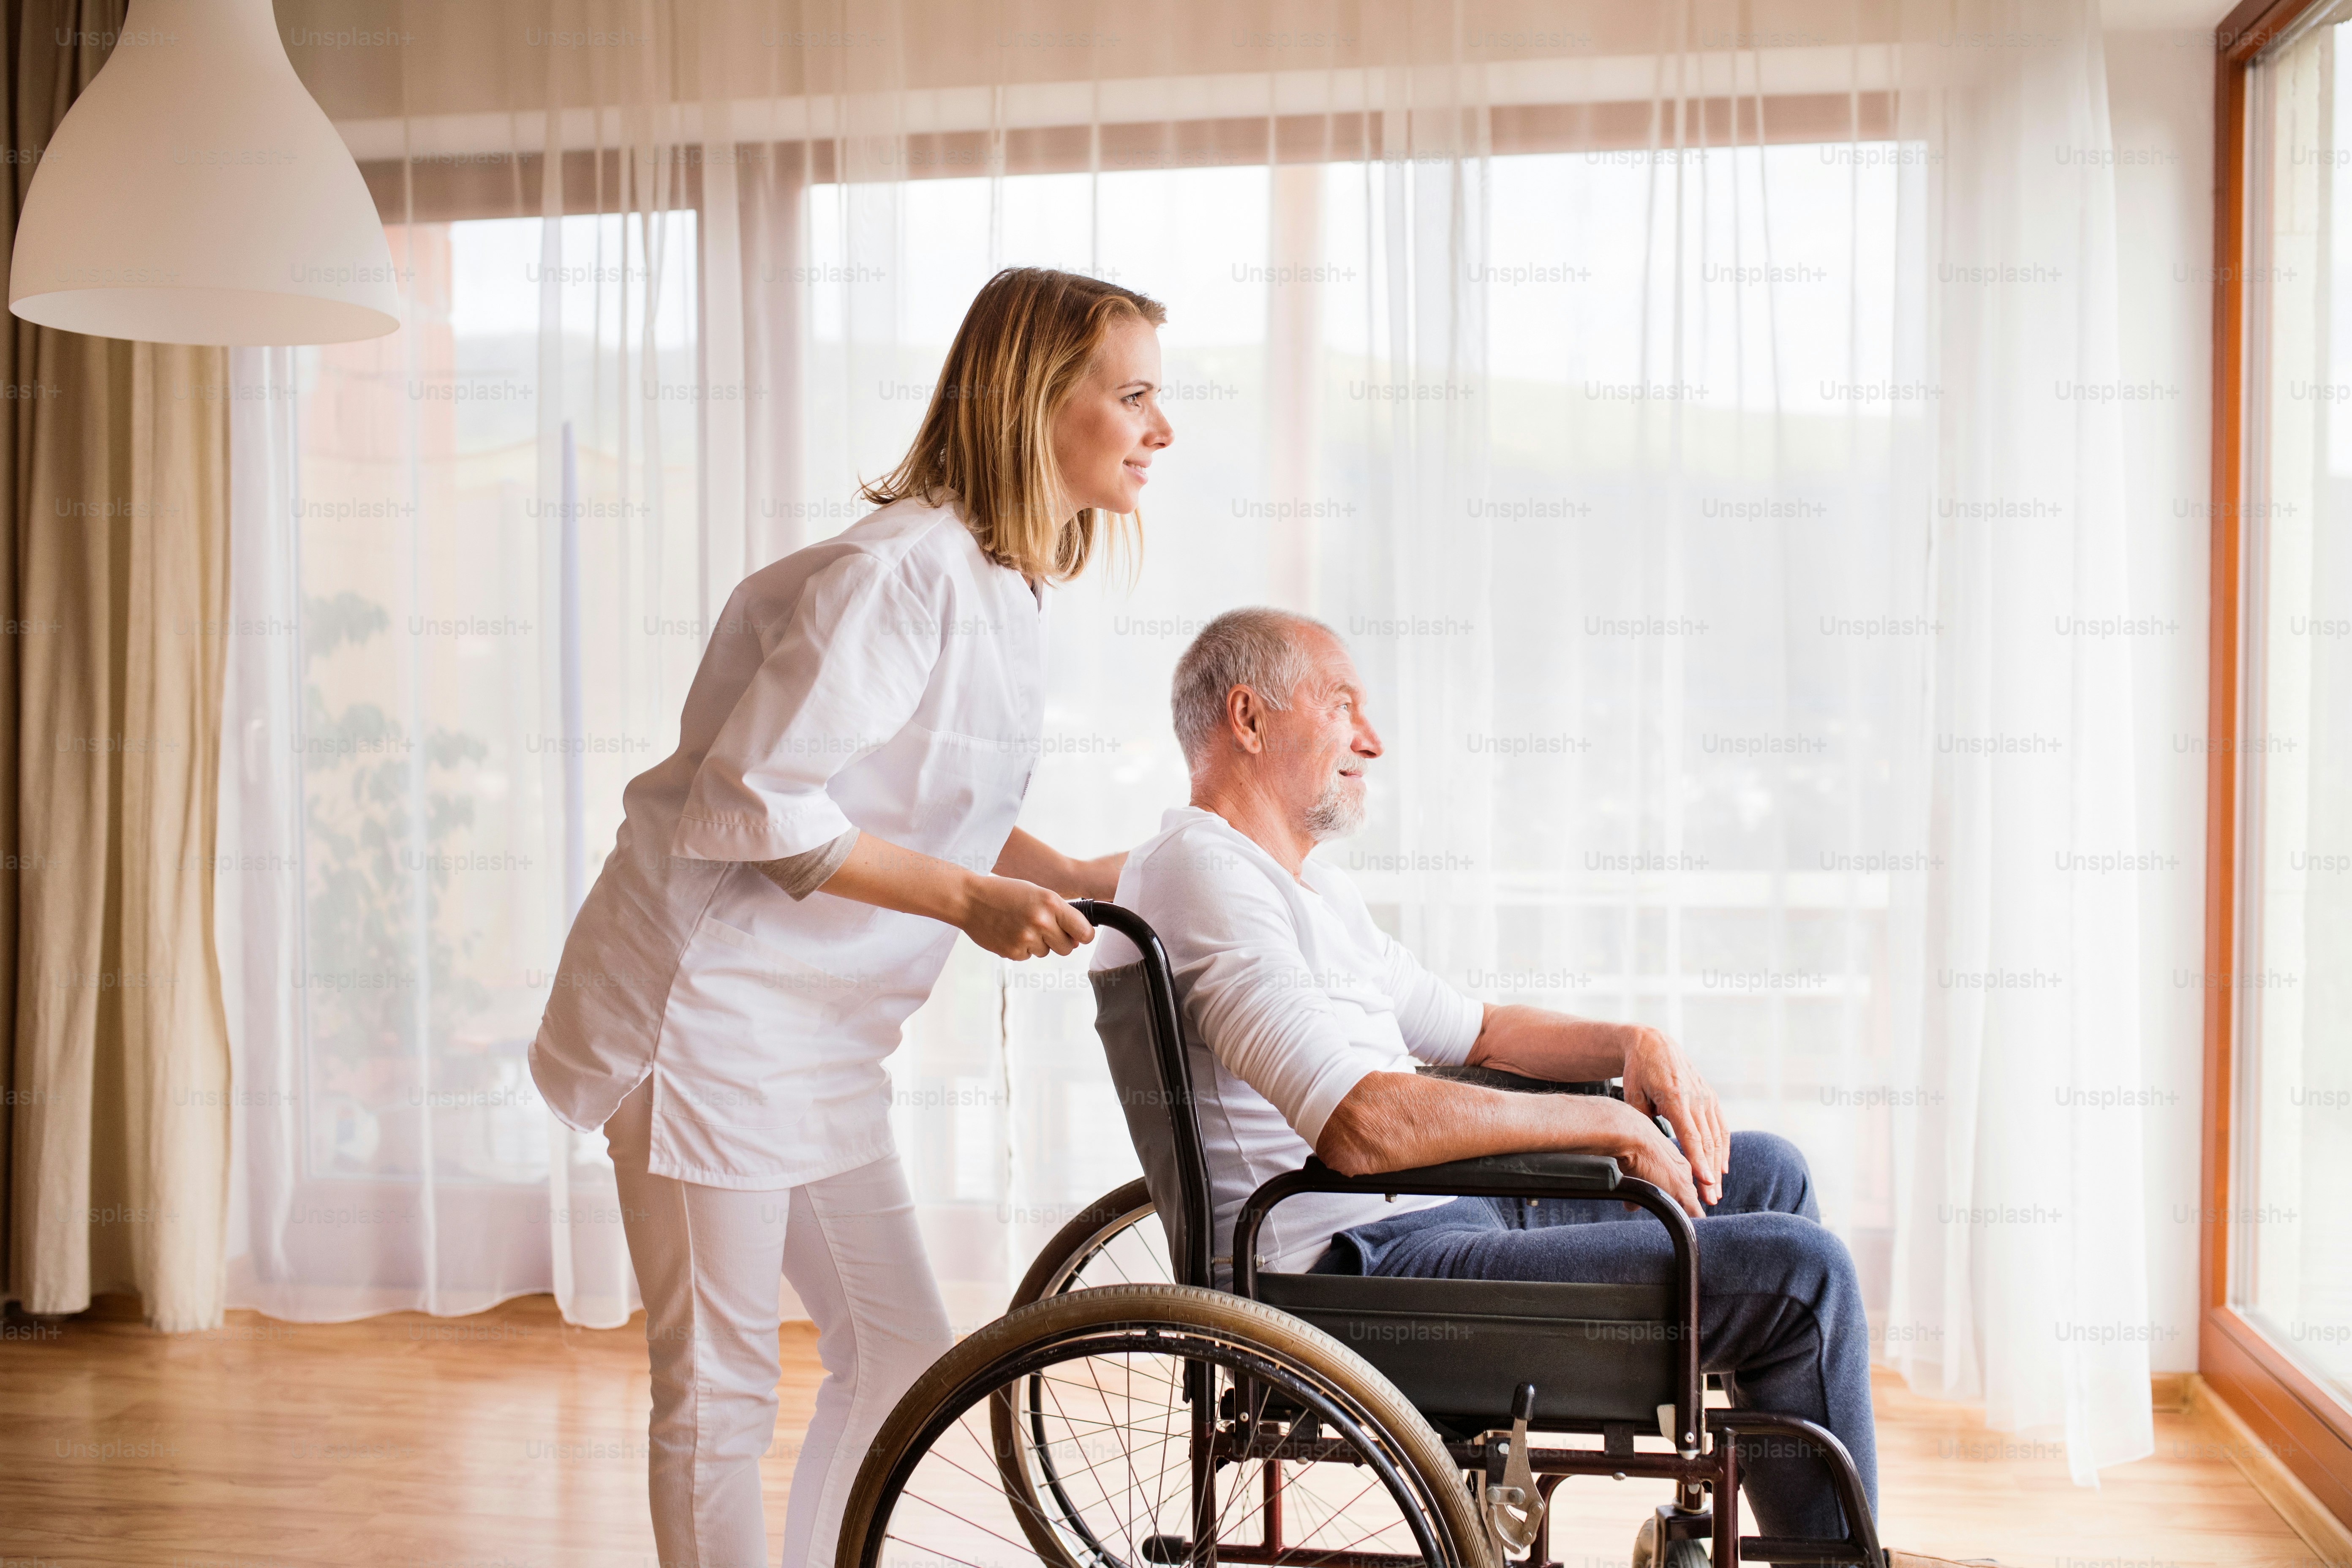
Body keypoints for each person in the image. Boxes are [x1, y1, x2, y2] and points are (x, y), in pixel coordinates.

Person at [1089, 606, 1993, 1568]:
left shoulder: (1301, 887)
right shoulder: (1207, 875)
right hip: (1355, 1277)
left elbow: (1474, 1027)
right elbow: (1360, 1122)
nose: (1373, 739)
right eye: (1343, 704)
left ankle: (1810, 1543)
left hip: (1426, 1217)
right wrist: (1606, 1123)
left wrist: (1634, 1044)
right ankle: (1841, 1561)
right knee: (1801, 1279)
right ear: (1250, 718)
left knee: (1762, 1173)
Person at [530, 267, 1174, 1568]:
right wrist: (970, 904)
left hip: (816, 1039)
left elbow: (938, 801)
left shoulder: (1005, 582)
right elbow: (754, 804)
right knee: (718, 1391)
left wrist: (1101, 881)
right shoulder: (900, 574)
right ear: (1037, 398)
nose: (1161, 430)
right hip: (708, 1020)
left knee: (899, 1356)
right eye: (1137, 394)